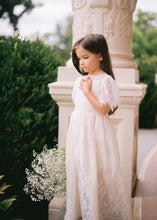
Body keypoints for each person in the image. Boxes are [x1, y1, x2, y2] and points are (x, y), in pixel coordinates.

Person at [64, 34, 132, 220]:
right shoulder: (79, 81)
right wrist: (83, 89)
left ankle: (99, 212)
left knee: (99, 170)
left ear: (100, 56)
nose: (81, 63)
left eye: (86, 57)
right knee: (82, 169)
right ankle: (82, 210)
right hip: (79, 132)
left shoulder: (106, 80)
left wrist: (87, 92)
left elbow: (103, 109)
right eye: (78, 59)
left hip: (97, 133)